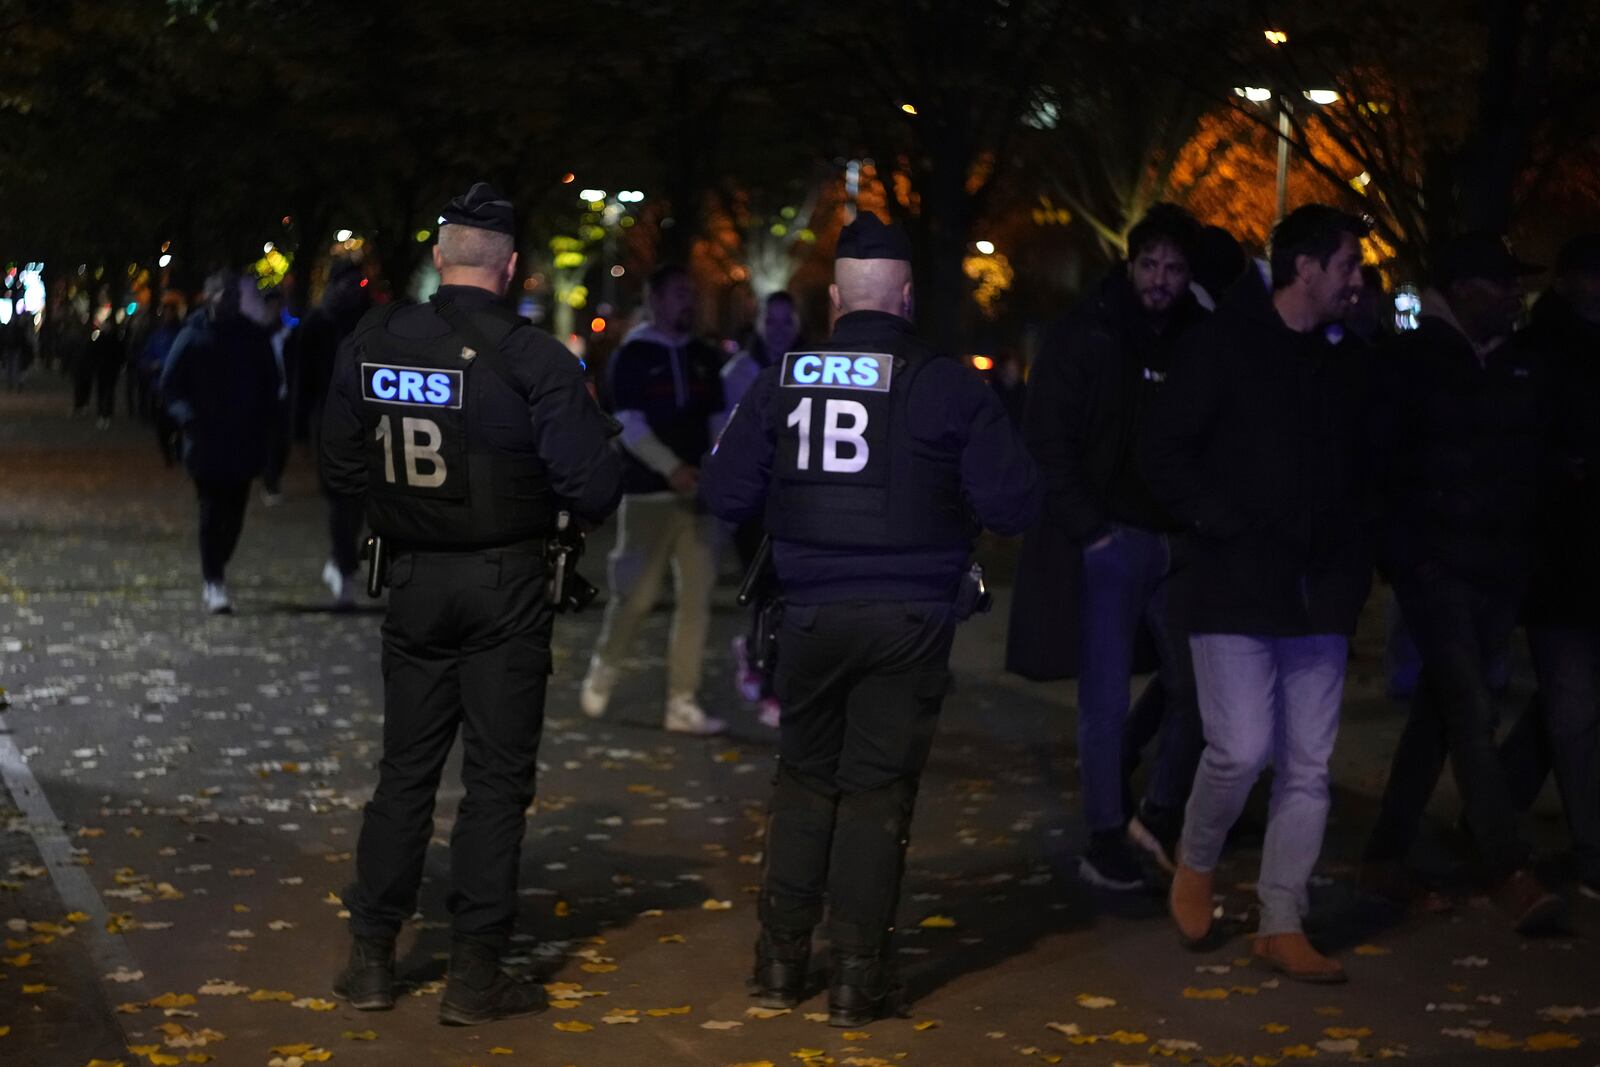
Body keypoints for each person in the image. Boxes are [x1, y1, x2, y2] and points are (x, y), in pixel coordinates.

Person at [700, 213, 1039, 1024]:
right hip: (911, 620)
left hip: (809, 614)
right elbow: (1016, 501)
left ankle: (780, 959)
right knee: (877, 791)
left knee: (807, 776)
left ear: (834, 298)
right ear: (909, 297)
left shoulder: (784, 377)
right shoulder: (950, 383)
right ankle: (856, 974)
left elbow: (723, 494)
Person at [320, 183, 623, 1025]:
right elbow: (595, 484)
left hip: (413, 582)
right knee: (495, 780)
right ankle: (475, 973)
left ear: (439, 257)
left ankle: (374, 958)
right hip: (506, 586)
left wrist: (403, 509)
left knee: (405, 770)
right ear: (513, 267)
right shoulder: (535, 360)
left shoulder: (372, 340)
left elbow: (338, 468)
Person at [1142, 205, 1374, 983]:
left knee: (1308, 762)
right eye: (1347, 263)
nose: (1358, 279)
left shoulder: (1347, 358)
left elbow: (1370, 464)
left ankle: (1282, 917)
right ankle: (1197, 857)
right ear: (1304, 267)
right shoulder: (1222, 346)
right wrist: (1224, 521)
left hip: (1320, 590)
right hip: (1235, 583)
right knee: (1239, 749)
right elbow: (1165, 451)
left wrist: (1354, 553)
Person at [1360, 232, 1562, 934]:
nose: (1514, 296)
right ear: (1464, 290)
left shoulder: (1516, 365)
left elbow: (1530, 469)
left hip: (1495, 568)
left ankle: (1385, 851)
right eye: (1501, 284)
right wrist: (1410, 559)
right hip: (1436, 567)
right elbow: (1384, 471)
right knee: (1471, 707)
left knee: (1444, 712)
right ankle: (1506, 862)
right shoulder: (1413, 362)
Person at [1020, 203, 1209, 889]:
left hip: (1174, 542)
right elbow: (1048, 433)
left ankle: (1153, 817)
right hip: (1114, 537)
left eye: (1174, 268)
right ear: (1130, 265)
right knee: (1103, 695)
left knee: (1196, 689)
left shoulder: (1196, 337)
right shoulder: (1089, 332)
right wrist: (1089, 528)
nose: (1160, 279)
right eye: (1150, 264)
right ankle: (1106, 834)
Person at [580, 263, 727, 734]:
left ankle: (681, 701)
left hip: (699, 501)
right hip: (648, 496)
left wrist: (713, 466)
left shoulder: (705, 356)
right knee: (636, 597)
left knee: (696, 599)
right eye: (680, 292)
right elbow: (629, 423)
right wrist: (671, 468)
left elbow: (720, 420)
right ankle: (605, 665)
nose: (689, 302)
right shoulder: (634, 356)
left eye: (692, 293)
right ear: (656, 298)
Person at [1513, 233, 1600, 902]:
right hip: (1561, 551)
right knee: (1573, 705)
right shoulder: (1545, 352)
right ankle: (1591, 844)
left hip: (1567, 550)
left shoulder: (1547, 348)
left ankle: (1503, 797)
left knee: (1567, 702)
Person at [159, 270, 282, 614]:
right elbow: (170, 385)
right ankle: (213, 579)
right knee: (211, 511)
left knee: (235, 513)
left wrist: (265, 422)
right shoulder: (192, 336)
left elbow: (270, 384)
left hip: (243, 441)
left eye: (232, 296)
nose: (228, 302)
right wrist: (186, 416)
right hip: (206, 441)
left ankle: (219, 561)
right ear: (207, 297)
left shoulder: (252, 338)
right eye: (221, 295)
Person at [723, 290, 803, 728]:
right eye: (770, 322)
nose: (777, 331)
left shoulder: (809, 371)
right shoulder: (739, 373)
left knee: (784, 592)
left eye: (785, 322)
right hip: (755, 504)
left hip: (793, 500)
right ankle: (762, 666)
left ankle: (766, 669)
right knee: (767, 593)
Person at [300, 257, 373, 606]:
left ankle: (342, 562)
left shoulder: (370, 318)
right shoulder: (319, 322)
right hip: (329, 419)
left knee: (356, 500)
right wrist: (299, 424)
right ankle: (345, 569)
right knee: (342, 496)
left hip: (366, 419)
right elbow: (304, 376)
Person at [257, 288, 294, 505]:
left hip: (285, 396)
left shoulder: (288, 335)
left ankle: (274, 477)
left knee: (283, 442)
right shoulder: (262, 337)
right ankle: (270, 483)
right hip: (268, 398)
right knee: (271, 441)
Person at [91, 311, 124, 429]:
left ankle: (106, 413)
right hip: (104, 368)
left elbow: (120, 353)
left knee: (108, 391)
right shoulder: (106, 338)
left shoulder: (111, 338)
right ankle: (103, 413)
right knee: (103, 391)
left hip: (110, 368)